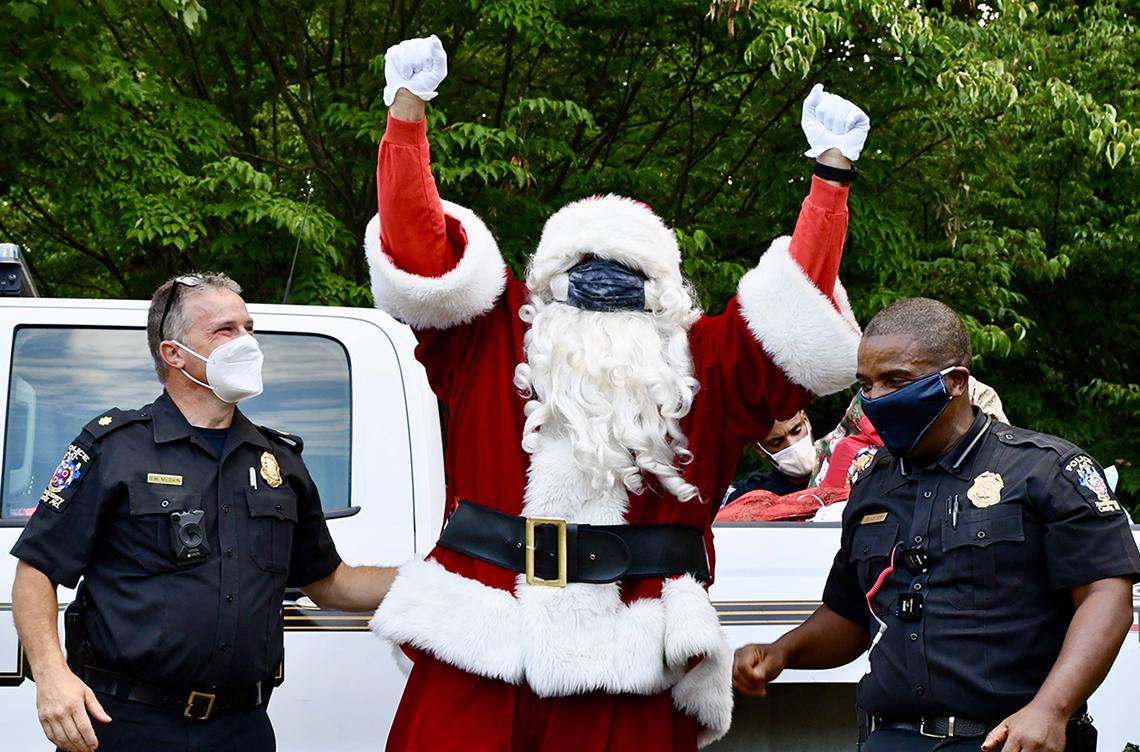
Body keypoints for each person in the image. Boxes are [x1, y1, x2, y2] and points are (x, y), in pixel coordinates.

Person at [364, 35, 867, 749]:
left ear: (665, 295)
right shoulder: (495, 336)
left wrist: (830, 178)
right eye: (582, 270)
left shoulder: (707, 361)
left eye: (625, 276)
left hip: (631, 668)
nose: (603, 289)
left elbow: (797, 318)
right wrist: (406, 114)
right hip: (478, 650)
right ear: (544, 283)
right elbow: (420, 256)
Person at [732, 297, 1140, 752]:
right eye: (867, 383)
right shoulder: (870, 484)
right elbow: (849, 615)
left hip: (1008, 740)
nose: (876, 399)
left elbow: (1107, 593)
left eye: (896, 380)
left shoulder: (1045, 470)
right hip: (888, 739)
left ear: (956, 383)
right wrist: (782, 652)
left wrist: (1053, 709)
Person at [10, 273, 397, 752]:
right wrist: (51, 676)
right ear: (173, 353)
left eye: (249, 328)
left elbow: (329, 582)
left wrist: (438, 580)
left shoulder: (279, 463)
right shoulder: (114, 448)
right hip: (123, 723)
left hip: (242, 728)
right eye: (225, 331)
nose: (247, 343)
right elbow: (37, 570)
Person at [722, 410, 817, 504]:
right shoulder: (750, 497)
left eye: (796, 431)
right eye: (777, 442)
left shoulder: (831, 464)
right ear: (759, 449)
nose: (791, 444)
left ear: (806, 420)